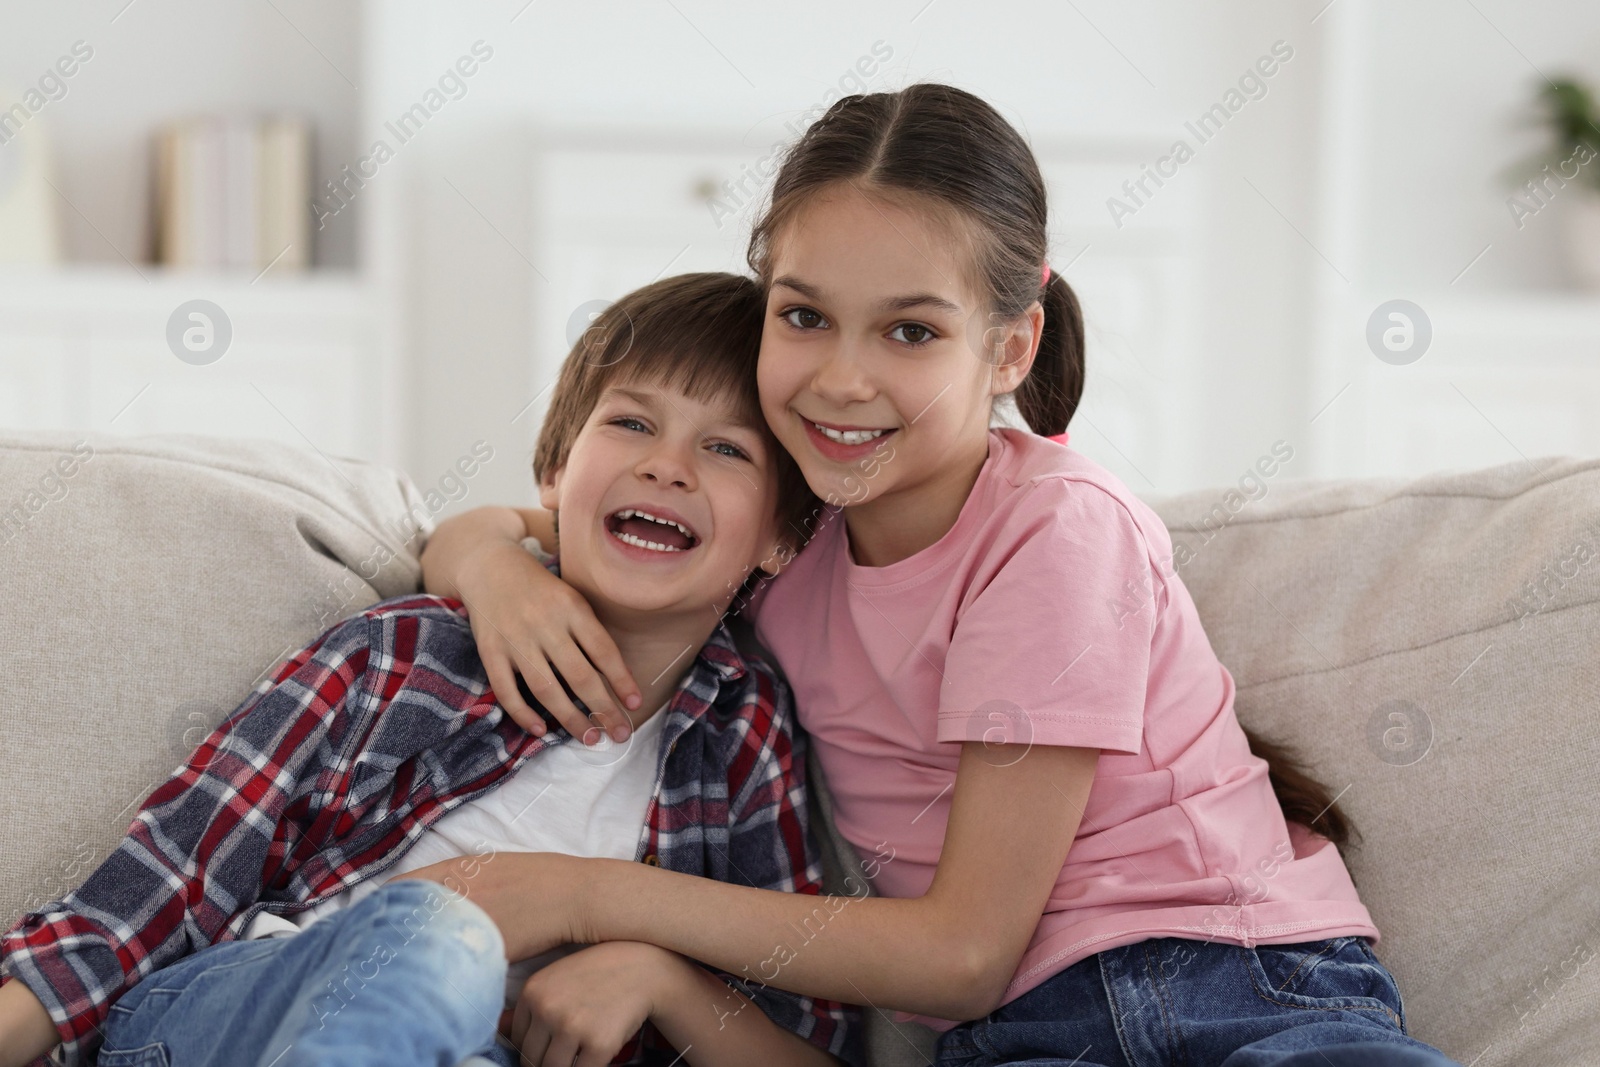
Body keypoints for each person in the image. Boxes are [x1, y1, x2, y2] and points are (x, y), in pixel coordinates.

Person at [410, 85, 1463, 1066]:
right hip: (1019, 1040)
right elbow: (513, 524)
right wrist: (493, 569)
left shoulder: (1056, 529)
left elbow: (964, 953)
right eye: (803, 314)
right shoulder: (782, 537)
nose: (840, 377)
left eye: (910, 330)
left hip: (1235, 988)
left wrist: (585, 897)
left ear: (1010, 350)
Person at [0, 272, 861, 1067]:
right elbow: (171, 874)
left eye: (727, 450)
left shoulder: (745, 732)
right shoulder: (403, 655)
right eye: (632, 423)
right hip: (235, 1011)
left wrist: (661, 979)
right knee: (439, 931)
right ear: (557, 473)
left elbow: (805, 1042)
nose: (666, 464)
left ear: (783, 539)